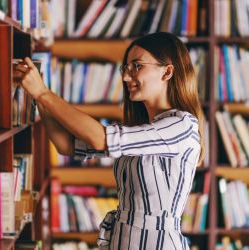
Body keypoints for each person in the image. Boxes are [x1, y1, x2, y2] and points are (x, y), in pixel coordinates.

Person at [14, 32, 204, 250]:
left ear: (167, 71)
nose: (125, 77)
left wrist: (43, 92)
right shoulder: (141, 131)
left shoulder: (181, 125)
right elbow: (66, 144)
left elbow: (100, 139)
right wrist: (38, 97)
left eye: (137, 66)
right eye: (126, 68)